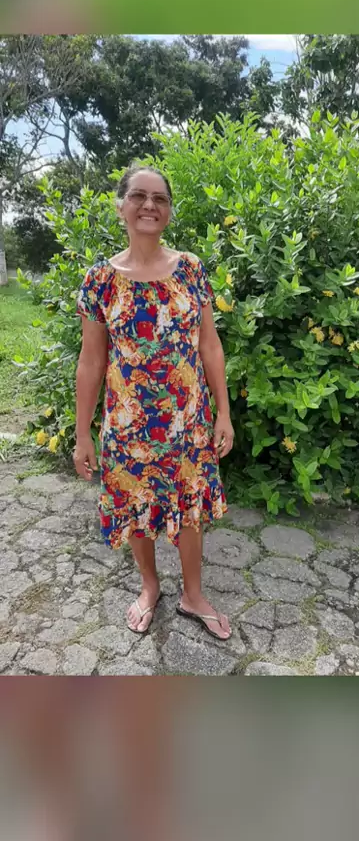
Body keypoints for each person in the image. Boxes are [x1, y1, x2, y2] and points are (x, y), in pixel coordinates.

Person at [74, 163, 235, 639]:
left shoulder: (191, 269)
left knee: (191, 508)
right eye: (139, 196)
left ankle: (193, 594)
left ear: (168, 211)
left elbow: (210, 346)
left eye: (160, 199)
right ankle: (150, 587)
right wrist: (82, 434)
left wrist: (223, 413)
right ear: (121, 206)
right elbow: (91, 361)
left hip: (188, 423)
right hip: (128, 426)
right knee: (135, 507)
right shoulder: (101, 280)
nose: (150, 205)